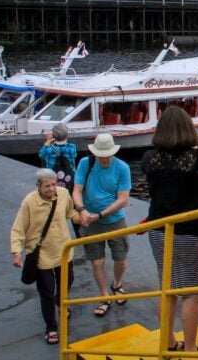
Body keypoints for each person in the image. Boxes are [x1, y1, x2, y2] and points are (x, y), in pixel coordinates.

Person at [141, 107, 198, 353]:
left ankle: (169, 342)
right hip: (191, 230)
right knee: (191, 292)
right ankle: (190, 348)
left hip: (159, 228)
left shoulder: (150, 157)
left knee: (167, 287)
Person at [10, 169, 80, 345]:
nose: (51, 189)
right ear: (38, 187)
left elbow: (70, 212)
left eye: (54, 184)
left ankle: (61, 300)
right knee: (46, 292)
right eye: (47, 186)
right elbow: (18, 228)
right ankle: (51, 327)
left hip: (63, 249)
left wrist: (81, 218)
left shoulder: (63, 194)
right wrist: (16, 252)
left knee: (67, 281)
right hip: (42, 255)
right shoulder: (29, 202)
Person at [72, 133, 132, 318]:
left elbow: (123, 199)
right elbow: (77, 190)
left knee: (120, 258)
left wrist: (99, 215)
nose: (104, 158)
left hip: (113, 220)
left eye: (107, 155)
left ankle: (117, 283)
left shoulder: (122, 167)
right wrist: (82, 210)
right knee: (97, 261)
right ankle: (104, 296)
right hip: (91, 219)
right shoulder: (85, 163)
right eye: (100, 155)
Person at [38, 123, 80, 237]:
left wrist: (48, 141)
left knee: (53, 207)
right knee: (73, 206)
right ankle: (78, 233)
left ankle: (53, 233)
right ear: (67, 135)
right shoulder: (72, 147)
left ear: (54, 135)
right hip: (70, 182)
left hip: (53, 182)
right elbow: (74, 156)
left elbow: (41, 155)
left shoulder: (47, 149)